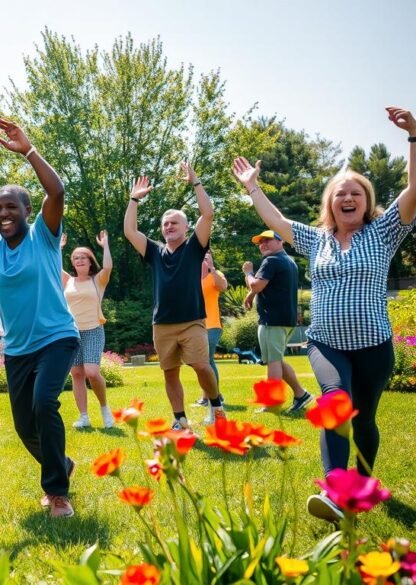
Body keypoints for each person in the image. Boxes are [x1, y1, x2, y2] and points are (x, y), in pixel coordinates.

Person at [232, 106, 415, 523]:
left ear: (366, 201)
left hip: (374, 344)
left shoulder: (384, 231)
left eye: (356, 192)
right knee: (335, 402)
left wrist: (413, 138)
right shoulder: (317, 240)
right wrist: (252, 188)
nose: (347, 198)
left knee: (365, 418)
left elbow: (413, 191)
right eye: (340, 193)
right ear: (329, 203)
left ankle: (364, 480)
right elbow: (276, 220)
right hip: (326, 342)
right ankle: (335, 490)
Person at [0, 118, 79, 518]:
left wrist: (29, 151)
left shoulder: (44, 233)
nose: (3, 213)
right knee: (25, 427)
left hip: (58, 338)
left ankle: (57, 492)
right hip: (19, 348)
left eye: (10, 206)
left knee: (44, 405)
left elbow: (56, 191)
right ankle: (62, 465)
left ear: (26, 210)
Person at [123, 162, 225, 430]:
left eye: (174, 223)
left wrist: (196, 181)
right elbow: (130, 232)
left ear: (185, 227)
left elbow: (208, 213)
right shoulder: (155, 251)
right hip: (162, 323)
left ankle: (216, 405)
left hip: (192, 320)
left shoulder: (194, 248)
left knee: (202, 366)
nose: (169, 226)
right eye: (165, 223)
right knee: (170, 373)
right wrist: (134, 199)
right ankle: (180, 418)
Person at [242, 231, 313, 413]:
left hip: (272, 320)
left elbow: (256, 284)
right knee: (277, 360)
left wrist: (248, 273)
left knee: (273, 362)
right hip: (285, 320)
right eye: (260, 242)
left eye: (267, 240)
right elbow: (265, 285)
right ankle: (301, 394)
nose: (263, 244)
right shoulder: (289, 261)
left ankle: (272, 404)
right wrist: (251, 296)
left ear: (281, 241)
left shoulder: (271, 261)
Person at [62, 231, 113, 429]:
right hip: (72, 333)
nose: (79, 260)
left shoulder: (97, 280)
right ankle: (84, 417)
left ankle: (104, 408)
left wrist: (105, 245)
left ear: (90, 261)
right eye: (76, 258)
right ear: (73, 263)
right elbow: (51, 266)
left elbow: (108, 266)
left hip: (93, 330)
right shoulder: (68, 280)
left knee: (92, 372)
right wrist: (59, 248)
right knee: (76, 374)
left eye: (83, 257)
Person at [193, 251, 228, 407]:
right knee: (201, 362)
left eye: (207, 254)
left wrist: (212, 268)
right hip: (195, 326)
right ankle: (211, 396)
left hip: (212, 326)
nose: (204, 256)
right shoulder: (191, 275)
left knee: (206, 360)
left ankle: (213, 397)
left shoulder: (215, 275)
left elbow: (223, 286)